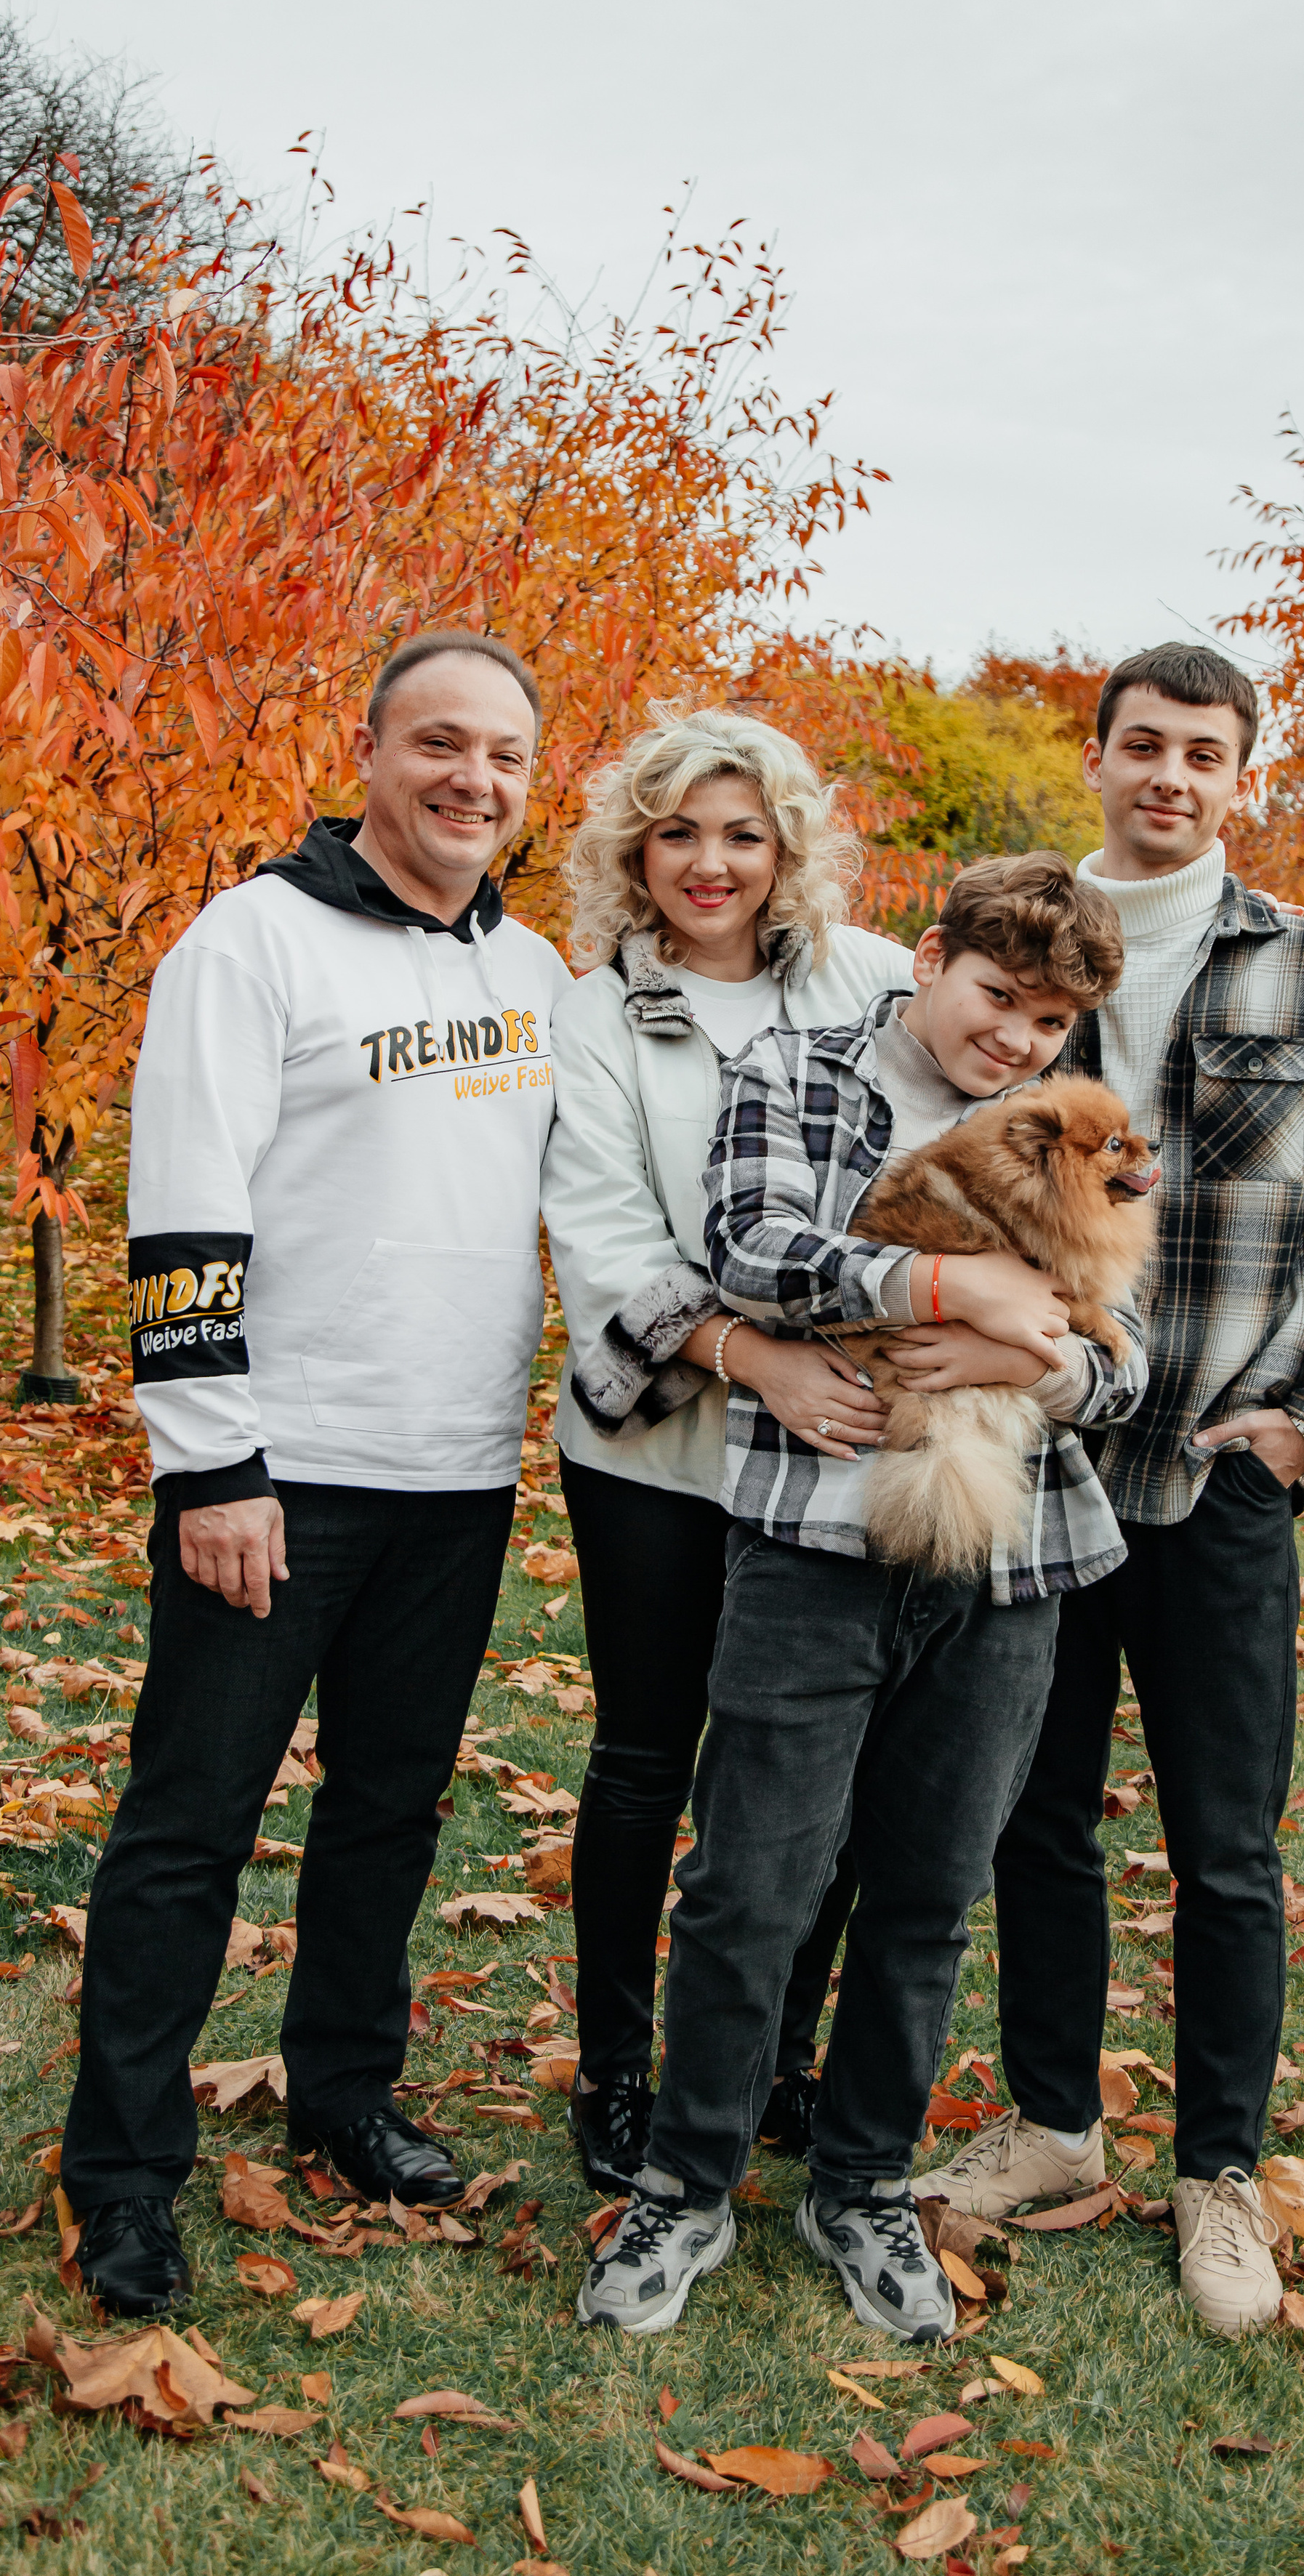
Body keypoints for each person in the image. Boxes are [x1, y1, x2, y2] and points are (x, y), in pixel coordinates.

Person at [911, 643, 1304, 2339]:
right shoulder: (1016, 954)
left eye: (1201, 753)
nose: (1168, 775)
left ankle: (1218, 2170)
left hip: (1218, 1467)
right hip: (1034, 1457)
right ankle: (1052, 2123)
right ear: (1094, 755)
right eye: (1141, 743)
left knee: (1223, 1844)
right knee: (1034, 1816)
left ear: (1236, 778)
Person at [62, 629, 572, 2318]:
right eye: (438, 743)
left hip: (455, 1472)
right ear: (368, 753)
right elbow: (181, 1199)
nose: (470, 780)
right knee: (189, 1824)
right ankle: (122, 2173)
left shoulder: (537, 976)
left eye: (502, 755)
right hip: (276, 1473)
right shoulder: (252, 940)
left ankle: (344, 2093)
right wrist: (211, 1463)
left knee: (386, 1812)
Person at [576, 852, 1148, 2340]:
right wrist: (950, 1292)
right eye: (997, 996)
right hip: (808, 1546)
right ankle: (684, 2183)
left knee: (927, 1894)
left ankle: (866, 2183)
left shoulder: (1078, 1131)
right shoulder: (799, 1071)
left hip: (1010, 1566)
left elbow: (1123, 1365)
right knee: (748, 1886)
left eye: (1049, 1023)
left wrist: (1032, 1357)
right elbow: (756, 1255)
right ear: (931, 958)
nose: (1016, 1038)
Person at [541, 702, 915, 2196]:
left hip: (837, 1448)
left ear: (786, 848)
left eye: (743, 835)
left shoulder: (872, 981)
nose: (711, 863)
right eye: (679, 833)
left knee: (811, 1769)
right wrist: (753, 1353)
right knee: (646, 1759)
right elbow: (605, 1232)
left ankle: (773, 2059)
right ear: (635, 851)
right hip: (662, 1451)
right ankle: (616, 2068)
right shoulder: (593, 1015)